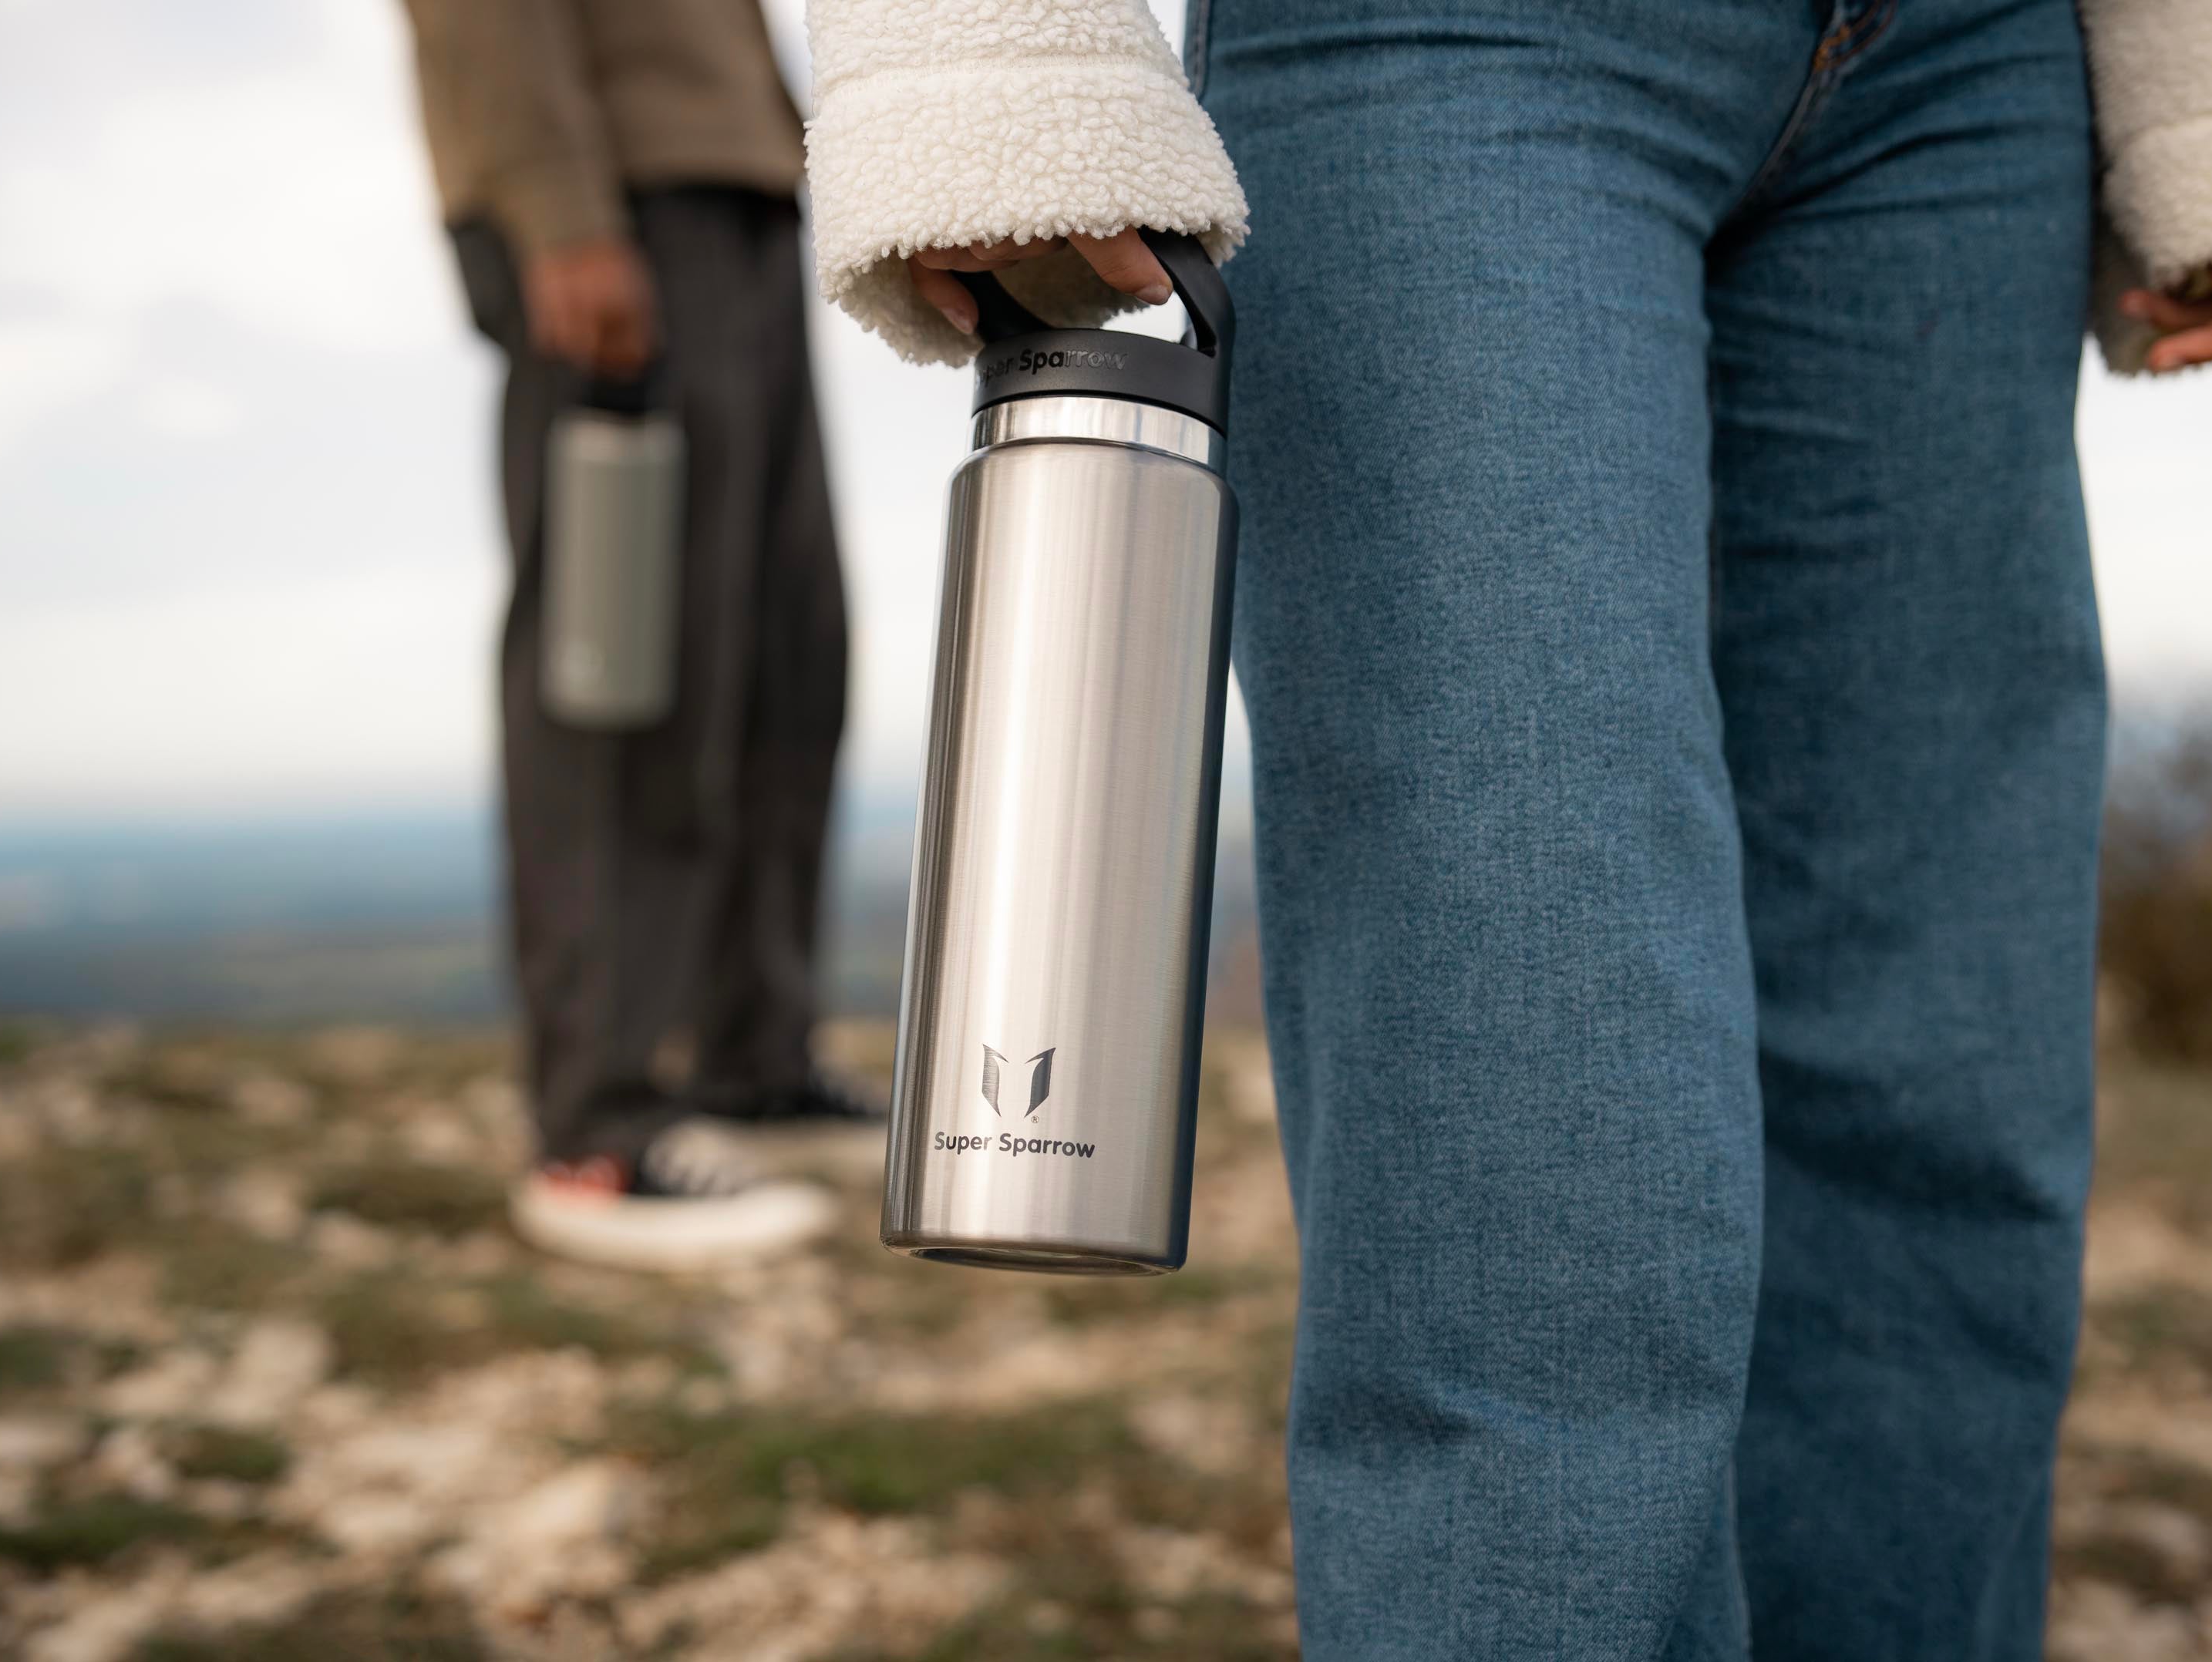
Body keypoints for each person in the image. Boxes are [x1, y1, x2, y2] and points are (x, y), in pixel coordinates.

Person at [802, 0, 2210, 1654]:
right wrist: (990, 62)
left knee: (1937, 1121)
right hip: (1453, 47)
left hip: (1975, 75)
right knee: (1532, 1159)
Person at [401, 0, 877, 1273]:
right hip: (619, 202)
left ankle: (751, 1065)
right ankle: (597, 1134)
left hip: (740, 197)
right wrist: (557, 208)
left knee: (785, 656)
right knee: (623, 669)